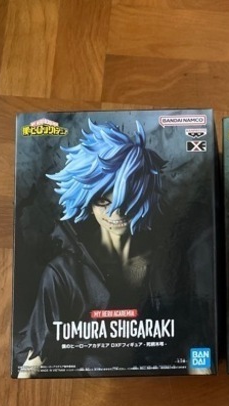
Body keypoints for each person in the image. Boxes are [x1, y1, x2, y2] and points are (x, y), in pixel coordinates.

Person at [14, 119, 167, 377]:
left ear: (142, 195)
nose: (116, 213)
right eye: (102, 201)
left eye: (126, 199)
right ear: (87, 201)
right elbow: (35, 359)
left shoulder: (161, 262)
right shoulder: (62, 273)